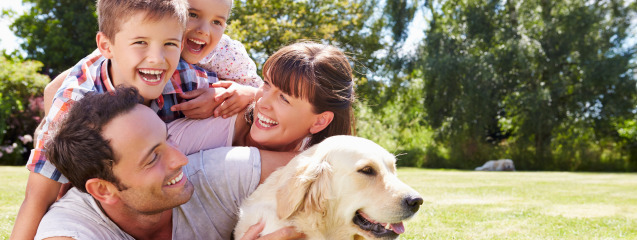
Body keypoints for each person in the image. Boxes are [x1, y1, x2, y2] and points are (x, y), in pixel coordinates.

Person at [11, 0, 215, 239]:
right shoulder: (74, 103)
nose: (157, 59)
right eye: (141, 42)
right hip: (107, 194)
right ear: (105, 46)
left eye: (169, 43)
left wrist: (243, 96)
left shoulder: (186, 77)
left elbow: (258, 104)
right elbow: (38, 197)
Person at [34, 87, 303, 240]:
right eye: (152, 158)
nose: (181, 159)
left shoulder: (213, 174)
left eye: (168, 139)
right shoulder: (71, 231)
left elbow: (326, 168)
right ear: (103, 189)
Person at [168, 41, 356, 156]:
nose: (262, 102)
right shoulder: (220, 120)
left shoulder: (321, 172)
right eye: (266, 84)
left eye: (284, 98)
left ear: (320, 121)